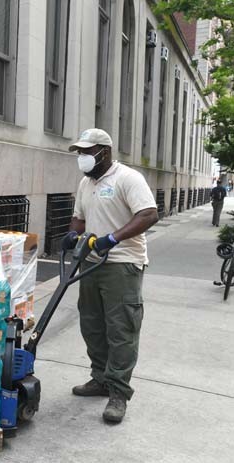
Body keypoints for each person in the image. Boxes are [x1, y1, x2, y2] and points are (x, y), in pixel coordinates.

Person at [61, 128, 159, 424]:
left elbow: (149, 214)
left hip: (122, 263)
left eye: (87, 152)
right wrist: (70, 234)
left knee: (121, 329)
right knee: (92, 324)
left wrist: (113, 238)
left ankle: (118, 392)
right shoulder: (85, 183)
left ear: (104, 152)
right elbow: (79, 218)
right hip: (90, 263)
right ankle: (100, 378)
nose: (82, 157)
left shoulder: (128, 178)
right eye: (79, 152)